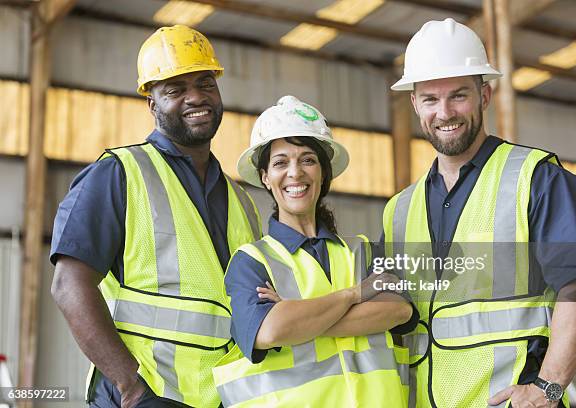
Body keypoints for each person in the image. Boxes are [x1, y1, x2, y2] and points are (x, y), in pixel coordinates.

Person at [382, 18, 576, 408]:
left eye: (458, 96)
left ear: (485, 96)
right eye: (430, 99)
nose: (444, 112)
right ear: (414, 104)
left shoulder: (537, 179)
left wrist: (549, 387)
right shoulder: (398, 210)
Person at [50, 25, 261, 408]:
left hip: (223, 397)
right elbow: (69, 286)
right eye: (175, 90)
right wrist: (130, 386)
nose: (196, 97)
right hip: (145, 396)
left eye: (205, 84)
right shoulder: (118, 174)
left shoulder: (242, 200)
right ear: (152, 103)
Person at [212, 95, 417, 407]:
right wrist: (355, 294)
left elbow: (399, 310)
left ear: (324, 172)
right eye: (281, 163)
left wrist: (299, 317)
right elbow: (269, 331)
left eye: (307, 159)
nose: (295, 173)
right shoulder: (251, 262)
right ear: (266, 178)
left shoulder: (361, 251)